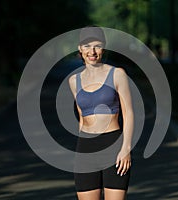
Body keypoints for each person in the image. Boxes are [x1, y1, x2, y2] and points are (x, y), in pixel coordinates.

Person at [68, 26, 134, 200]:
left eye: (97, 45)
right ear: (80, 48)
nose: (92, 51)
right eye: (87, 46)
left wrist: (126, 148)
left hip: (113, 145)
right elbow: (82, 118)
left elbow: (128, 114)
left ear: (103, 48)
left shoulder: (117, 74)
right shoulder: (74, 81)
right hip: (86, 149)